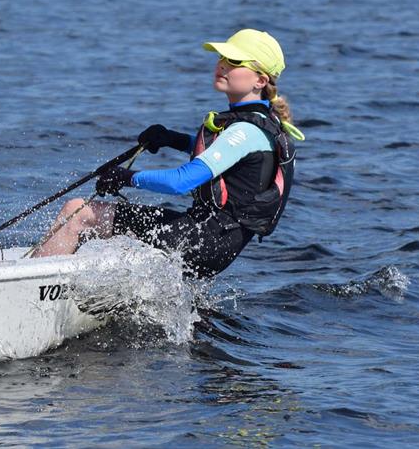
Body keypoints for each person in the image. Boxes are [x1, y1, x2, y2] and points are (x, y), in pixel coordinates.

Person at [31, 29, 305, 278]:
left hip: (203, 239)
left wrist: (127, 177)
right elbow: (228, 159)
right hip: (215, 239)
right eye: (222, 58)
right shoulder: (258, 124)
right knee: (106, 229)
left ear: (260, 80)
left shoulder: (244, 130)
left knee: (78, 212)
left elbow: (181, 181)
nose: (222, 64)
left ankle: (32, 285)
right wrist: (171, 139)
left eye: (234, 62)